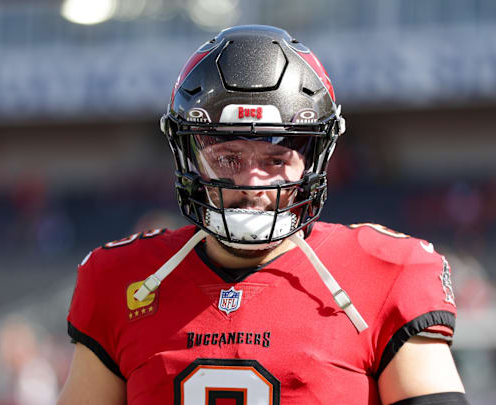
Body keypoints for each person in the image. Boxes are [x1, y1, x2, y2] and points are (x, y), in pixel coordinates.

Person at [57, 25, 467, 405]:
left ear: (312, 160)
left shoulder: (385, 273)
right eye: (229, 158)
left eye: (275, 159)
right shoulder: (121, 278)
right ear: (192, 158)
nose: (252, 181)